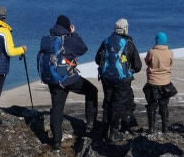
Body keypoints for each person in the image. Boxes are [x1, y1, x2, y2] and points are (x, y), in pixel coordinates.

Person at [45, 15, 98, 151]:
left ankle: (56, 142)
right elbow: (83, 49)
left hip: (53, 78)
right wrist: (74, 33)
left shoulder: (50, 38)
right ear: (68, 27)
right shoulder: (67, 39)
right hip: (68, 79)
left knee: (57, 107)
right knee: (92, 91)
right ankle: (90, 123)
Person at [95, 18, 142, 142]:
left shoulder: (106, 41)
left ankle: (104, 130)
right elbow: (138, 66)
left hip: (106, 78)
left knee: (108, 103)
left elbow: (97, 59)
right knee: (118, 106)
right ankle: (114, 133)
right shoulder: (129, 43)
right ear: (126, 28)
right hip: (122, 80)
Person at [143, 31, 173, 134]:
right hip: (165, 82)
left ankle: (151, 128)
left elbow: (147, 62)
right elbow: (171, 63)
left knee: (151, 106)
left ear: (156, 40)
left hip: (153, 82)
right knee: (164, 106)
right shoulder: (170, 52)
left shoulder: (151, 52)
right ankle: (165, 128)